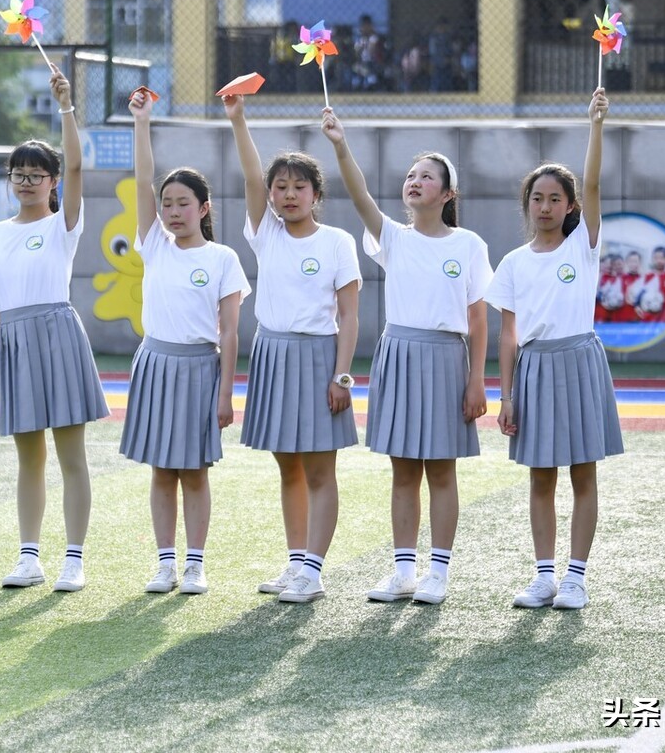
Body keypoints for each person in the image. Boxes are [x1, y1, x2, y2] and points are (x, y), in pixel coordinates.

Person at [321, 108, 492, 606]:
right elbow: (359, 196)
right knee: (402, 469)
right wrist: (339, 144)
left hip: (445, 359)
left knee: (440, 470)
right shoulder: (393, 237)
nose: (416, 182)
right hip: (398, 353)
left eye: (428, 177)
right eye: (412, 175)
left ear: (448, 194)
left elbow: (479, 321)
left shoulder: (470, 245)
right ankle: (403, 571)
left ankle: (437, 573)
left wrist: (477, 381)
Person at [0, 66, 109, 592]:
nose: (26, 181)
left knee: (71, 453)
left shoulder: (62, 224)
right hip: (16, 344)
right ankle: (29, 558)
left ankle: (74, 558)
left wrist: (67, 106)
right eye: (18, 174)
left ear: (51, 182)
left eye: (36, 174)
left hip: (57, 331)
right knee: (29, 455)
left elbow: (77, 164)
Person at [485, 87, 624, 611]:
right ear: (527, 205)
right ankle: (544, 576)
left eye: (555, 199)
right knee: (540, 476)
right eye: (536, 198)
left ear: (570, 207)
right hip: (535, 370)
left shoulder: (582, 247)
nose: (545, 206)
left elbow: (591, 180)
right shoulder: (515, 263)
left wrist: (596, 124)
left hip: (581, 362)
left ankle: (576, 578)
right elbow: (506, 335)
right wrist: (508, 395)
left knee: (582, 472)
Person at [224, 93, 361, 604]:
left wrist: (342, 375)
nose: (286, 194)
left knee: (320, 469)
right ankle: (296, 561)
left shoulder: (338, 243)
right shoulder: (265, 234)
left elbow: (349, 315)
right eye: (279, 187)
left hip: (321, 357)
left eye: (298, 187)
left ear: (315, 194)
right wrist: (239, 119)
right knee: (289, 467)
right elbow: (249, 171)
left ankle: (315, 570)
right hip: (273, 356)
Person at [123, 89, 250, 595]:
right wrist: (141, 122)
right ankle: (165, 563)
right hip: (155, 363)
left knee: (194, 471)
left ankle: (195, 564)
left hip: (201, 369)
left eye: (183, 204)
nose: (173, 211)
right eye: (166, 203)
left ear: (204, 208)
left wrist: (224, 393)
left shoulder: (222, 259)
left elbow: (230, 332)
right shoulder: (154, 243)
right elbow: (140, 179)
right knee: (162, 470)